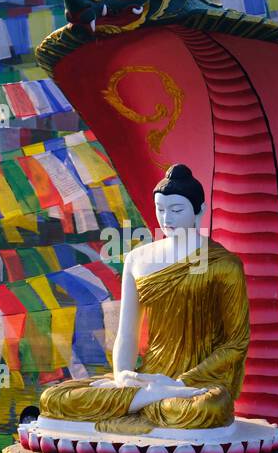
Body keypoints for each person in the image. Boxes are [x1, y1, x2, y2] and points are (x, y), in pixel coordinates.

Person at [39, 164, 250, 433]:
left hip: (195, 384)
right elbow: (126, 334)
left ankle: (147, 399)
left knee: (206, 409)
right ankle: (147, 398)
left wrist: (181, 383)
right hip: (149, 376)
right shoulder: (138, 259)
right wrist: (122, 376)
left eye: (176, 210)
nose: (166, 219)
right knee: (54, 399)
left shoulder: (224, 265)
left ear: (199, 211)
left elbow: (235, 343)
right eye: (160, 209)